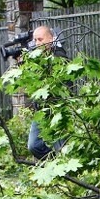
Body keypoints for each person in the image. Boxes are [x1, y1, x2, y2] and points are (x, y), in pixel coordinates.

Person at [27, 25, 69, 160]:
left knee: (63, 149)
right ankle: (52, 165)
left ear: (51, 39)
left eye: (40, 39)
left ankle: (67, 175)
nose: (37, 43)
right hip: (41, 110)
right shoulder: (35, 58)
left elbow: (65, 87)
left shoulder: (59, 57)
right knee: (34, 145)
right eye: (35, 40)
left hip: (59, 110)